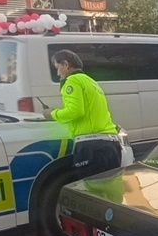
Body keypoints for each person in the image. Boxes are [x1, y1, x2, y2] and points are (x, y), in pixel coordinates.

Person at [43, 49, 121, 178]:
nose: (57, 73)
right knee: (111, 187)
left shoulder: (72, 81)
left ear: (66, 65)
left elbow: (75, 111)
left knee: (91, 188)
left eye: (57, 68)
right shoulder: (91, 81)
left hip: (91, 147)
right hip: (110, 144)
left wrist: (52, 114)